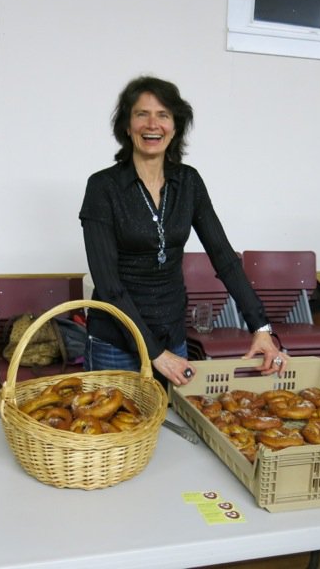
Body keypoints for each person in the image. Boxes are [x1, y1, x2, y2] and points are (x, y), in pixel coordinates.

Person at [79, 75, 288, 386]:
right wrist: (154, 353)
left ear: (175, 127)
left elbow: (225, 259)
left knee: (168, 429)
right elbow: (109, 286)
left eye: (163, 115)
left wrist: (261, 328)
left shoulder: (189, 182)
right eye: (141, 114)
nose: (153, 124)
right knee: (116, 432)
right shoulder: (103, 187)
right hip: (117, 343)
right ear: (126, 125)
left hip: (172, 335)